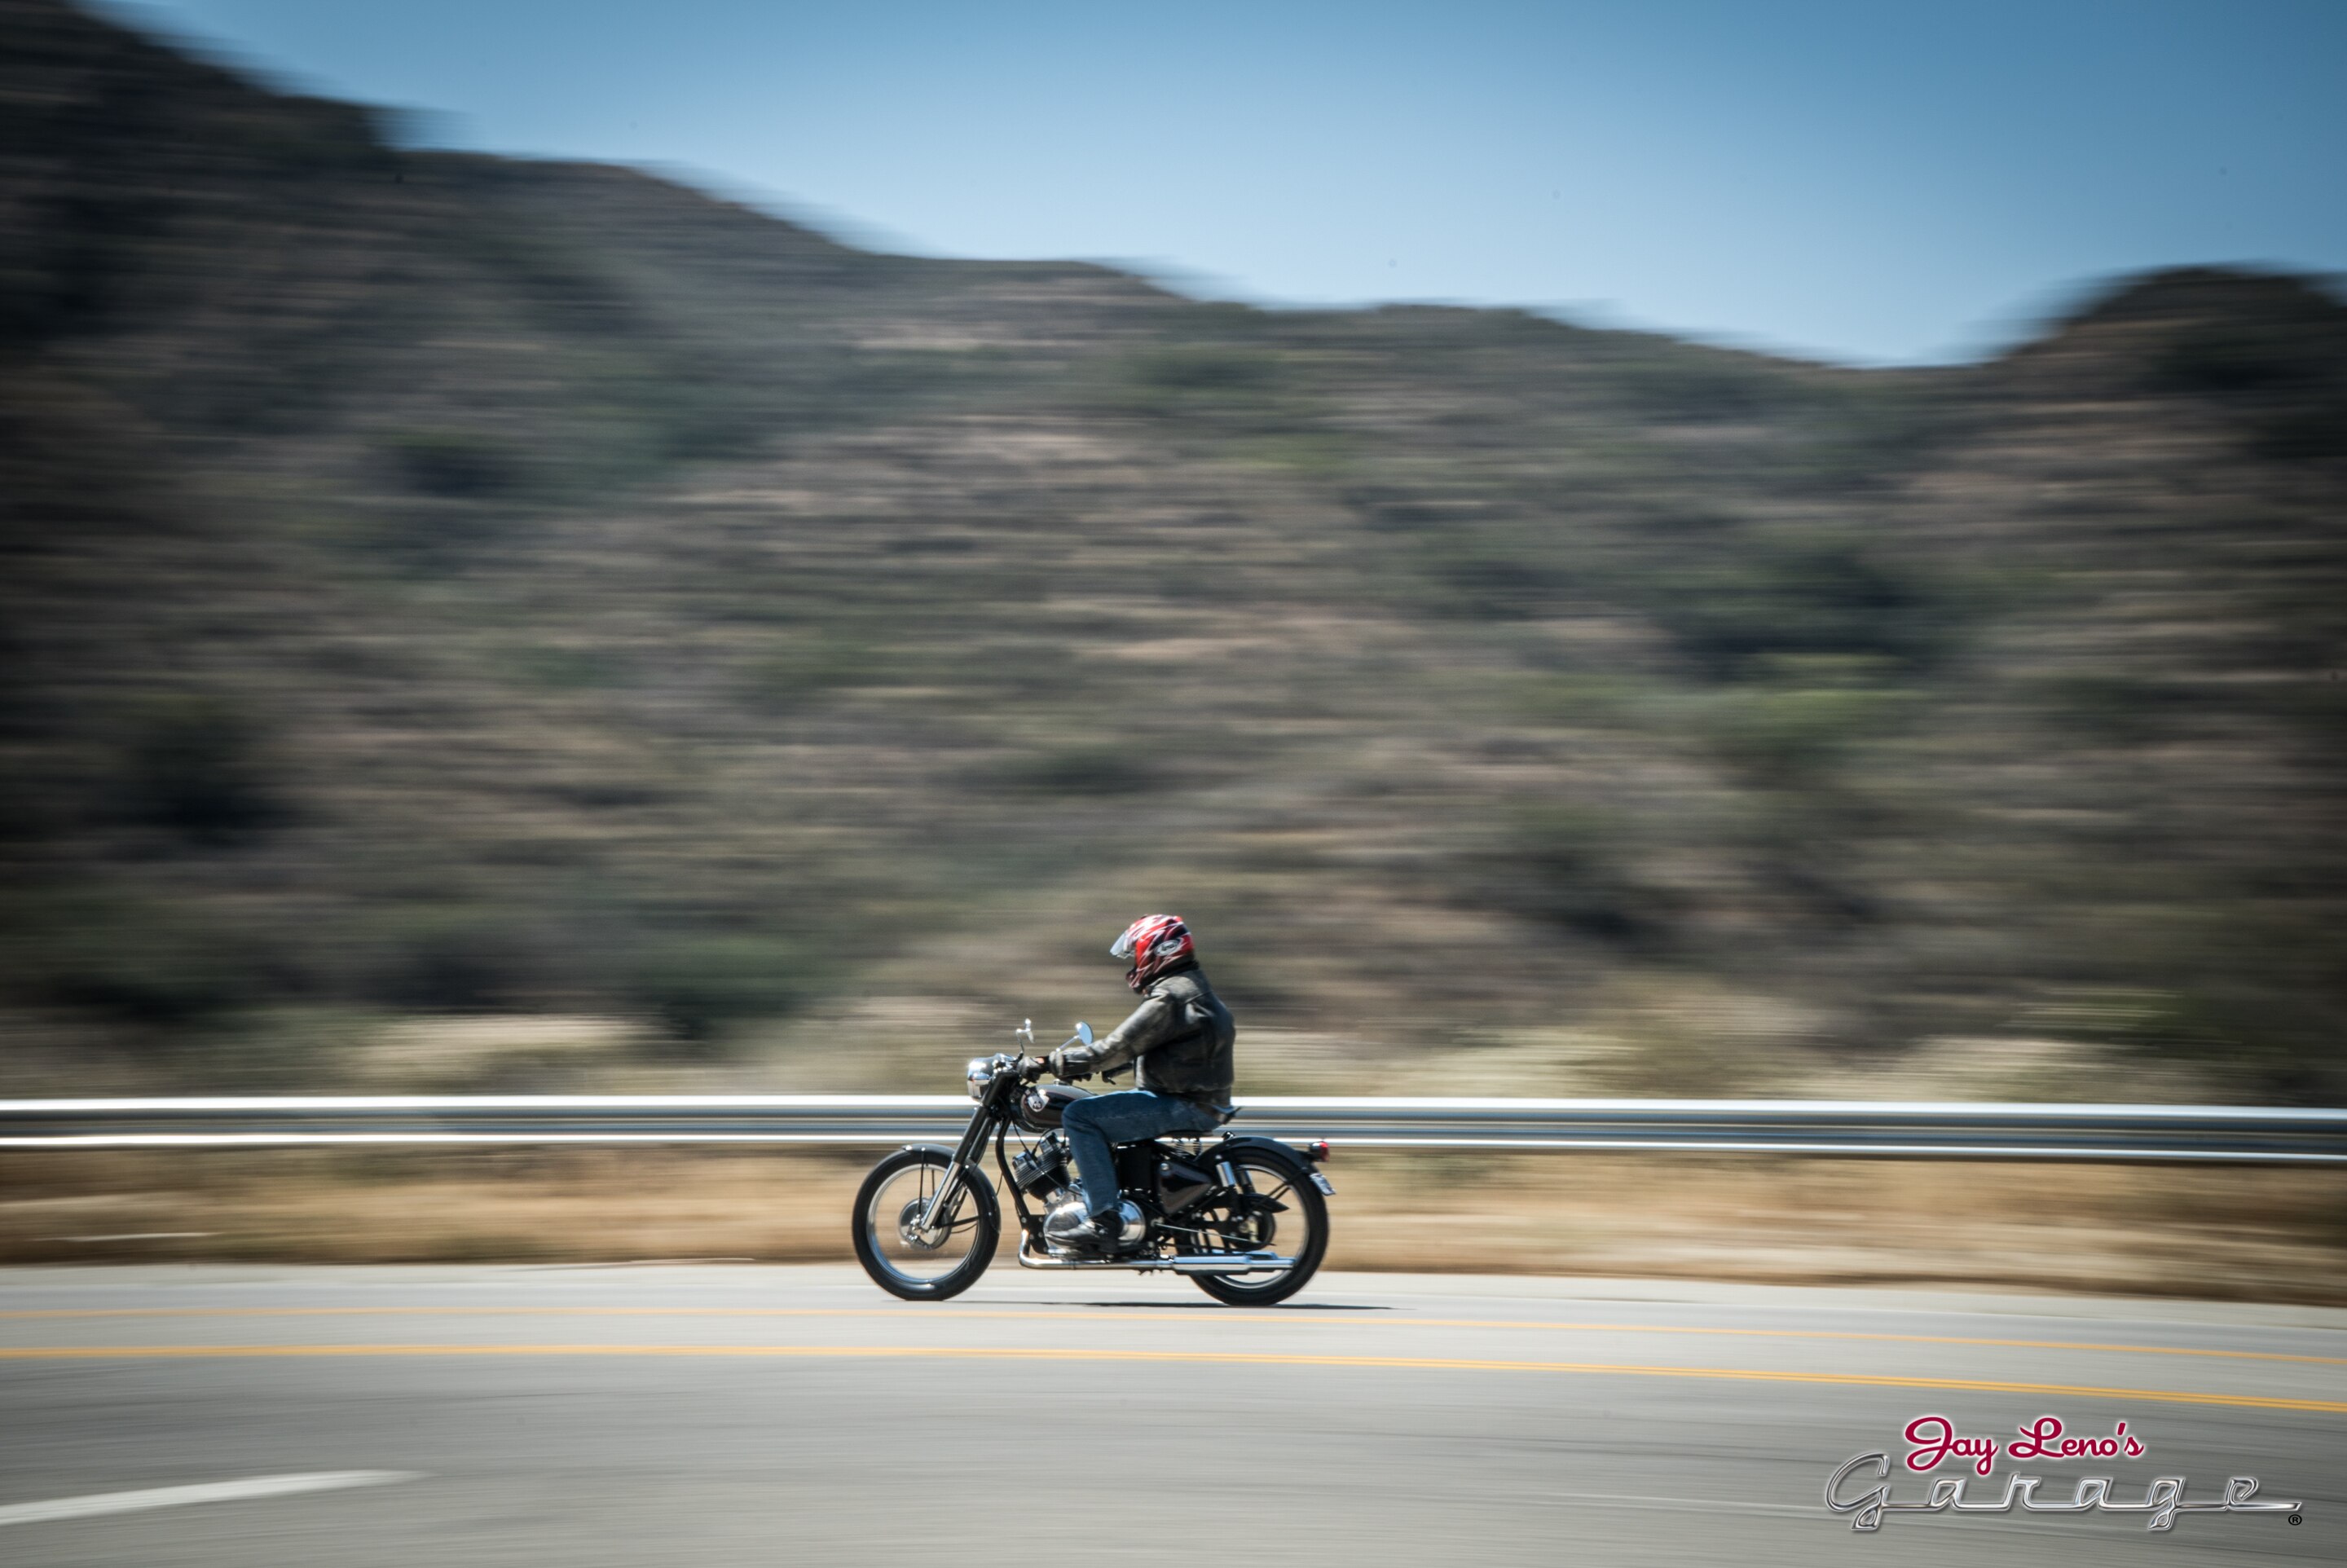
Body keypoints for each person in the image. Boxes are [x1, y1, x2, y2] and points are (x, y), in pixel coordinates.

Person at [1040, 914, 1235, 1253]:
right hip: (1198, 1098)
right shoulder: (1191, 985)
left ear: (1158, 950)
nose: (1134, 963)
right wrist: (1123, 1064)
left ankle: (1104, 1219)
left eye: (1137, 953)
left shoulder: (1170, 997)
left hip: (1182, 1103)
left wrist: (1052, 1063)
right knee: (1104, 1112)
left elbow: (1116, 1045)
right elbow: (1173, 1045)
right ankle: (1109, 1196)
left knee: (1079, 1116)